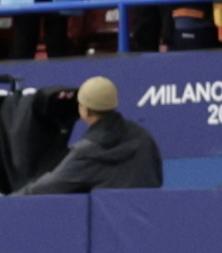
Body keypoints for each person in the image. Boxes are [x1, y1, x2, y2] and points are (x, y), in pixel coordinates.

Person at [20, 73, 163, 192]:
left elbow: (46, 188)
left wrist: (10, 201)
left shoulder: (85, 152)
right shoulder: (144, 137)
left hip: (104, 218)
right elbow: (157, 179)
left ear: (85, 111)